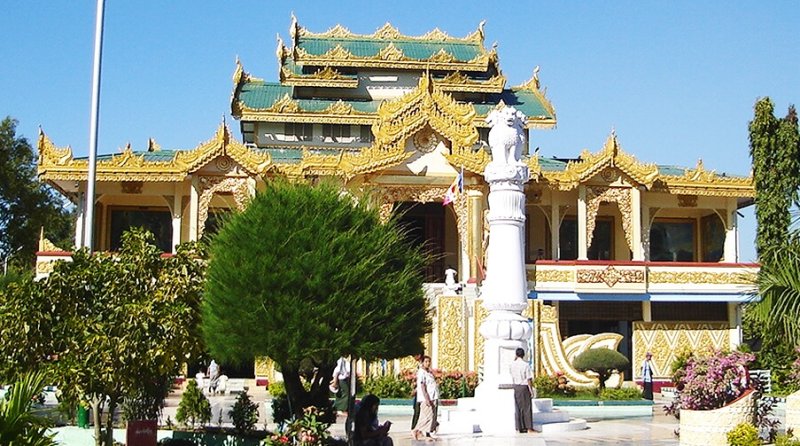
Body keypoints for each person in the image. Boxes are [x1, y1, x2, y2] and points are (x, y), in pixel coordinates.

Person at [412, 355, 439, 441]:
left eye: (429, 362)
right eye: (426, 362)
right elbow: (422, 386)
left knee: (432, 416)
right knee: (428, 416)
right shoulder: (421, 372)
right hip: (427, 398)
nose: (428, 363)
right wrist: (426, 398)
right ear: (422, 363)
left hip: (433, 396)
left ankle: (427, 433)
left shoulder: (428, 372)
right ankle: (416, 430)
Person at [509, 347, 535, 433]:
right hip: (524, 387)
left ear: (516, 354)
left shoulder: (512, 365)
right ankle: (529, 428)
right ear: (523, 355)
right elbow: (529, 379)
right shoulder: (525, 365)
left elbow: (512, 375)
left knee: (518, 407)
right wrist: (531, 390)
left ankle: (519, 427)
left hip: (516, 386)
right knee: (527, 407)